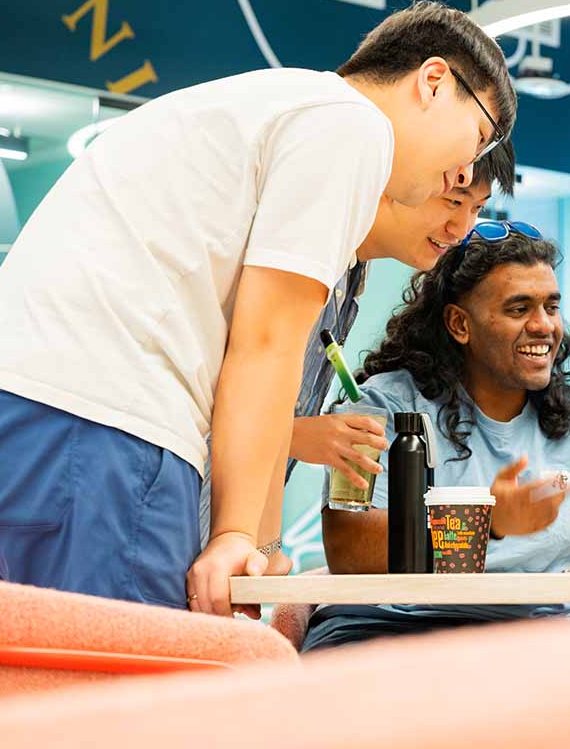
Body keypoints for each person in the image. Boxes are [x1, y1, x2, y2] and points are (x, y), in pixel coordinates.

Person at [0, 0, 516, 617]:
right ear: (434, 81)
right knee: (132, 699)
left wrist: (257, 543)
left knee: (10, 690)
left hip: (4, 409)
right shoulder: (355, 126)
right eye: (478, 136)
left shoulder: (269, 107)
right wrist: (235, 539)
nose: (466, 171)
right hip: (105, 434)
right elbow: (267, 344)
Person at [302, 226, 570, 651]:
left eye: (552, 306)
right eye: (519, 308)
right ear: (459, 324)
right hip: (391, 633)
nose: (544, 326)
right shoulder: (383, 406)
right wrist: (488, 524)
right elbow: (348, 549)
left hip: (536, 641)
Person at [197, 141, 516, 552]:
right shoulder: (301, 261)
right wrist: (292, 435)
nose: (461, 229)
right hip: (173, 514)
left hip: (215, 541)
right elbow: (204, 397)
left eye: (476, 208)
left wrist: (266, 549)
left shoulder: (348, 277)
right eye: (454, 199)